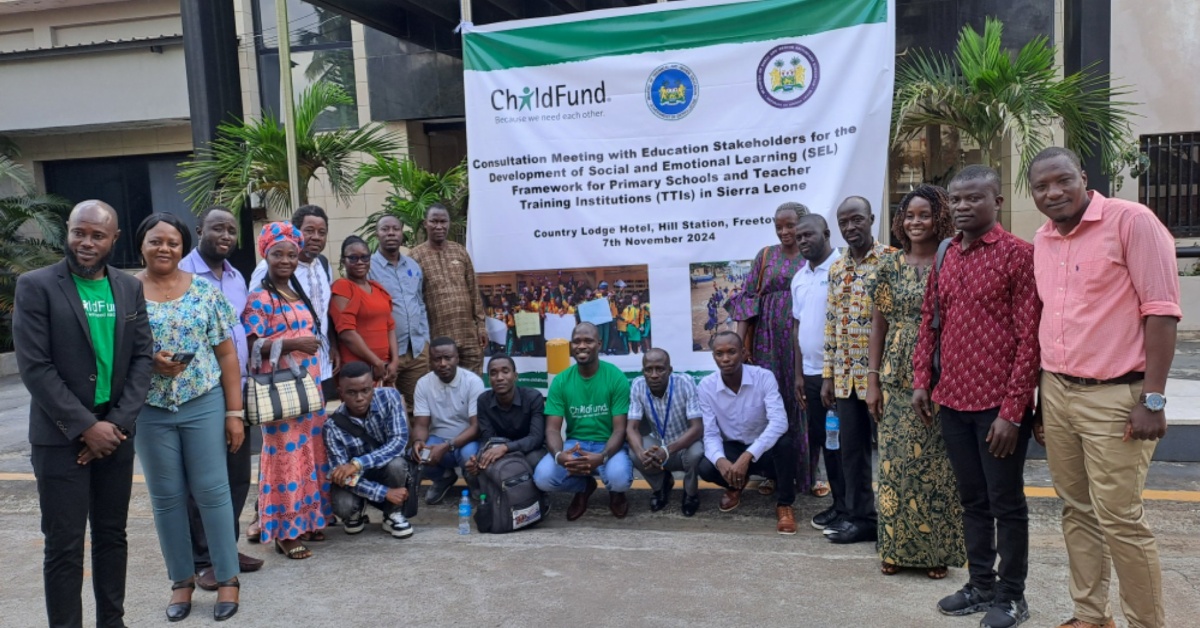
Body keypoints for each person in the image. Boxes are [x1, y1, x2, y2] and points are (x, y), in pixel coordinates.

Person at [1028, 147, 1180, 628]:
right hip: (1057, 390)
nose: (1053, 192)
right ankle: (1090, 615)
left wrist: (1152, 398)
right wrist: (1039, 401)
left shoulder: (1132, 222)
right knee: (1075, 510)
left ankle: (1145, 622)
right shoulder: (1043, 239)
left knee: (1120, 519)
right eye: (1041, 186)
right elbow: (1048, 318)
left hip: (1117, 395)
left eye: (1062, 181)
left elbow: (1161, 311)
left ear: (1083, 177)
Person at [13, 200, 153, 628]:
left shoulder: (128, 287)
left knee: (112, 536)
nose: (86, 242)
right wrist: (85, 427)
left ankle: (113, 621)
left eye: (97, 235)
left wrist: (115, 424)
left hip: (115, 434)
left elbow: (142, 358)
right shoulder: (36, 285)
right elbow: (35, 367)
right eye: (79, 232)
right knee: (64, 545)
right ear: (68, 232)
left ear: (114, 239)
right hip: (60, 439)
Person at [912, 166, 1041, 628]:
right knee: (971, 500)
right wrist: (922, 381)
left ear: (996, 201)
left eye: (974, 199)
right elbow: (931, 320)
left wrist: (1012, 411)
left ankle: (1011, 596)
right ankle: (980, 584)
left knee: (1005, 502)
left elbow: (1031, 340)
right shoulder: (947, 254)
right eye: (957, 200)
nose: (963, 206)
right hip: (953, 402)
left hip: (997, 408)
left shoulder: (1018, 256)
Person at [131, 213, 243, 622]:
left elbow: (226, 354)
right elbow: (112, 352)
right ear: (141, 244)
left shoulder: (204, 291)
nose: (164, 248)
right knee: (166, 500)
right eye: (156, 241)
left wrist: (234, 413)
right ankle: (181, 581)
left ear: (183, 247)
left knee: (213, 492)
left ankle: (228, 578)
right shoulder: (124, 292)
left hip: (203, 401)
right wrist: (147, 363)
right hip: (150, 409)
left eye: (173, 242)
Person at [864, 186, 965, 579]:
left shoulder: (951, 259)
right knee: (893, 466)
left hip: (941, 371)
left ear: (938, 217)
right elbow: (878, 325)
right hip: (895, 375)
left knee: (938, 467)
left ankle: (934, 552)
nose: (915, 222)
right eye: (909, 216)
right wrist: (872, 380)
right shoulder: (889, 265)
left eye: (924, 215)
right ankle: (894, 549)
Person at [179, 207, 262, 590]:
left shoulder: (236, 276)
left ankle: (225, 549)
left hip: (237, 389)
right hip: (200, 391)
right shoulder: (181, 275)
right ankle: (202, 559)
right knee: (203, 479)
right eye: (218, 228)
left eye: (231, 229)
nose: (226, 235)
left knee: (237, 474)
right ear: (200, 231)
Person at [243, 221, 331, 560]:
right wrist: (294, 343)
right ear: (265, 255)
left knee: (310, 455)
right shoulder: (260, 297)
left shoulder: (297, 292)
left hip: (308, 389)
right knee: (284, 459)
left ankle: (308, 520)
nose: (286, 260)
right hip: (280, 393)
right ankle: (283, 531)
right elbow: (251, 344)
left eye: (292, 255)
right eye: (277, 254)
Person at [821, 196, 896, 544]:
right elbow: (832, 324)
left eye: (857, 220)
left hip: (883, 379)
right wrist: (827, 376)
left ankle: (896, 523)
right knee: (852, 453)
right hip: (845, 379)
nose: (851, 228)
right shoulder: (837, 268)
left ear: (871, 219)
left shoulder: (892, 261)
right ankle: (861, 519)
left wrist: (882, 375)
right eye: (844, 222)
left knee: (891, 454)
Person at [731, 202, 809, 495]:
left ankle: (805, 475)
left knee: (802, 402)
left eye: (790, 225)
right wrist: (740, 344)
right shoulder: (765, 256)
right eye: (779, 226)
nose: (785, 231)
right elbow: (748, 299)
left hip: (801, 339)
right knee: (771, 403)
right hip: (767, 340)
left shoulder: (812, 253)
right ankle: (773, 473)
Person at [696, 331, 797, 534]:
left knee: (786, 445)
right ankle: (736, 484)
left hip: (763, 449)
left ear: (743, 353)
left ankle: (784, 504)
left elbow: (779, 422)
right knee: (707, 467)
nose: (725, 359)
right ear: (713, 356)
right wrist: (720, 461)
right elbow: (710, 433)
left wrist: (748, 456)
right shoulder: (706, 387)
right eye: (719, 354)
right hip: (734, 446)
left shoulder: (763, 377)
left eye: (732, 352)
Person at [533, 322, 633, 520]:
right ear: (571, 346)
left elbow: (620, 430)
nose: (581, 346)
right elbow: (552, 430)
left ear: (599, 344)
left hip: (608, 444)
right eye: (577, 341)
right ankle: (584, 486)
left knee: (619, 479)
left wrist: (603, 456)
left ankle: (616, 492)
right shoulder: (561, 381)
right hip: (575, 445)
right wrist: (559, 455)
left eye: (588, 341)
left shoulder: (615, 377)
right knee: (542, 479)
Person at [789, 214, 844, 529]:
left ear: (825, 233)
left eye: (808, 235)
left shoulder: (841, 271)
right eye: (799, 238)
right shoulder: (800, 277)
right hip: (809, 376)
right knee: (825, 441)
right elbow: (798, 327)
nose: (802, 241)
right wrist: (798, 374)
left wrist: (829, 376)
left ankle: (851, 507)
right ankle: (840, 505)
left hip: (837, 377)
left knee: (843, 445)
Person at [250, 205, 339, 398]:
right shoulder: (270, 268)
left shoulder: (323, 264)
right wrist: (295, 344)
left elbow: (324, 311)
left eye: (321, 232)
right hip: (283, 373)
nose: (316, 237)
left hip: (319, 365)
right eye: (309, 231)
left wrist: (332, 345)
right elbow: (254, 325)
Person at [325, 361, 414, 539]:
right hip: (357, 480)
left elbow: (399, 442)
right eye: (351, 392)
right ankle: (355, 511)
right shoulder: (332, 427)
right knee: (343, 505)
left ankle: (393, 514)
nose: (359, 398)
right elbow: (343, 475)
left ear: (373, 387)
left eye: (365, 390)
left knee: (397, 464)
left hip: (385, 469)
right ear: (341, 393)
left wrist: (358, 464)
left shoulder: (390, 397)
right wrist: (385, 493)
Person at [410, 203, 487, 373]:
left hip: (468, 334)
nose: (439, 226)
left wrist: (481, 326)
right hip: (438, 337)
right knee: (443, 385)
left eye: (443, 221)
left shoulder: (459, 251)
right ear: (425, 223)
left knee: (473, 383)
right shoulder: (415, 257)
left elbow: (474, 291)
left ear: (449, 223)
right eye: (434, 221)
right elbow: (413, 300)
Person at [626, 348, 704, 516]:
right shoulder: (638, 385)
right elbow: (631, 428)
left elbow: (697, 428)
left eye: (660, 369)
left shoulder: (685, 382)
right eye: (649, 370)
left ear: (670, 370)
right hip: (658, 443)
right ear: (643, 371)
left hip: (685, 443)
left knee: (697, 452)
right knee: (634, 452)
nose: (654, 375)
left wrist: (667, 450)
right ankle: (661, 486)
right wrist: (641, 453)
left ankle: (690, 494)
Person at [410, 337, 486, 504]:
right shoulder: (423, 384)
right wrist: (418, 441)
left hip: (467, 441)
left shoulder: (473, 382)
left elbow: (476, 427)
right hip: (438, 440)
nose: (442, 363)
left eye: (448, 358)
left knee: (469, 456)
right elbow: (421, 424)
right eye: (437, 359)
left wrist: (446, 446)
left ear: (457, 358)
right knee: (417, 455)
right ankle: (443, 478)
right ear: (430, 361)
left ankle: (474, 483)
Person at [369, 214, 430, 416]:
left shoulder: (413, 266)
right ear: (377, 234)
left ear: (401, 232)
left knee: (418, 408)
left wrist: (426, 339)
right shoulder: (367, 268)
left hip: (417, 351)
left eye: (395, 228)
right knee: (387, 409)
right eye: (385, 229)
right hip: (386, 354)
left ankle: (415, 447)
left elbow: (419, 303)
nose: (391, 233)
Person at [331, 235, 399, 385]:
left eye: (364, 257)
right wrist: (375, 362)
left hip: (383, 370)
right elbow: (347, 333)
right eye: (353, 258)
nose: (360, 262)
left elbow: (390, 327)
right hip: (358, 372)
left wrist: (394, 361)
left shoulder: (378, 289)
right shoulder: (343, 287)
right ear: (343, 261)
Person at [467, 354, 547, 476]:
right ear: (489, 379)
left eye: (505, 372)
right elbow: (487, 437)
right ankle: (491, 494)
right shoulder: (483, 400)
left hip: (530, 449)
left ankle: (532, 495)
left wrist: (506, 448)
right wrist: (480, 457)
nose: (499, 378)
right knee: (473, 467)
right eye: (493, 373)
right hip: (498, 448)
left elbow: (536, 438)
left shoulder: (533, 397)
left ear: (515, 376)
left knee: (529, 462)